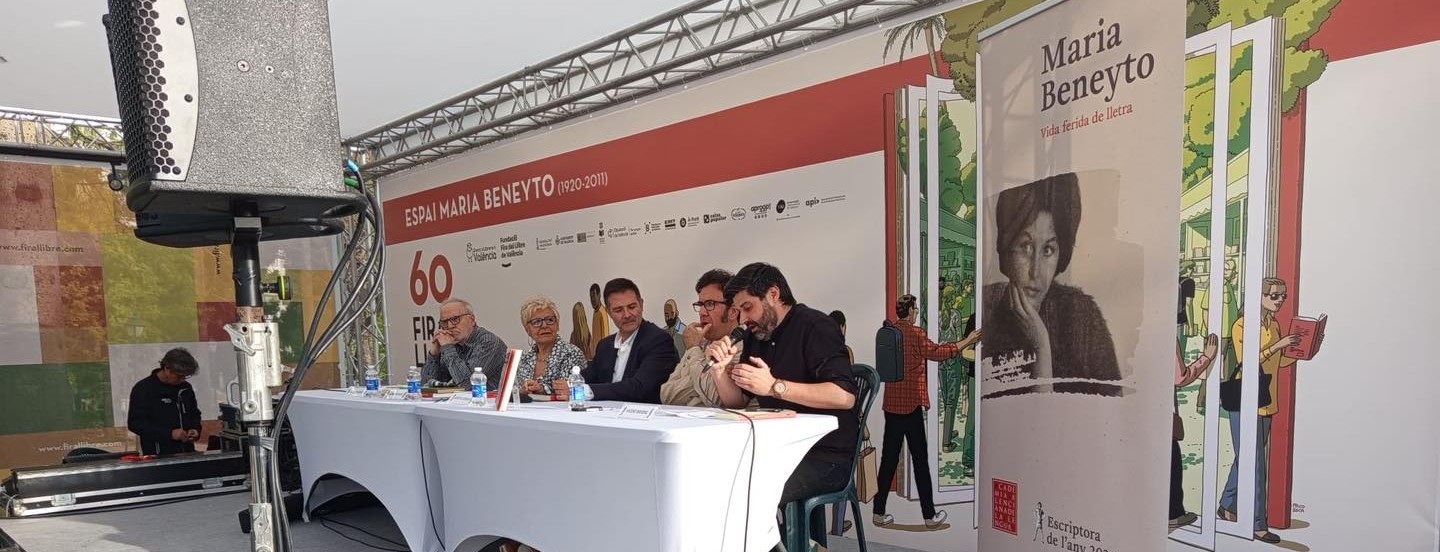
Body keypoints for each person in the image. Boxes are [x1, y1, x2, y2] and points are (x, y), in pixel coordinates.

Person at [706, 262, 858, 545]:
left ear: (773, 294)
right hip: (778, 451)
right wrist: (719, 371)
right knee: (721, 478)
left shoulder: (816, 326)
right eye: (739, 311)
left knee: (749, 489)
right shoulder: (756, 335)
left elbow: (844, 396)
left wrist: (775, 387)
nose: (743, 319)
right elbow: (738, 403)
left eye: (748, 307)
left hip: (826, 455)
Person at [982, 173, 1120, 397]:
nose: (1035, 271)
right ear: (1007, 248)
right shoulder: (984, 310)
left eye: (1048, 250)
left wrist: (1041, 347)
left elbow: (1113, 409)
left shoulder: (1083, 317)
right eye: (1025, 246)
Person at [1218, 277, 1319, 544]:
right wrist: (1278, 345)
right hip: (1246, 400)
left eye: (1282, 296)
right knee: (1255, 465)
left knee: (1246, 457)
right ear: (1259, 297)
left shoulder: (1272, 324)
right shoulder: (1242, 325)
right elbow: (1248, 360)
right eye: (1274, 295)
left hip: (1266, 400)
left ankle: (1226, 505)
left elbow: (1278, 360)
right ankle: (1257, 524)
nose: (1279, 300)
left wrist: (1304, 351)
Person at [873, 295, 981, 529]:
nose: (916, 312)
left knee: (888, 459)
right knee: (920, 461)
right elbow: (938, 352)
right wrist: (967, 341)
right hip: (911, 405)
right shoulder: (915, 333)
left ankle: (878, 512)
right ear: (910, 311)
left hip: (891, 405)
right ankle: (929, 516)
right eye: (915, 309)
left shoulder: (889, 332)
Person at [578, 278, 680, 403]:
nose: (627, 315)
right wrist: (566, 386)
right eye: (618, 310)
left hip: (643, 413)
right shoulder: (605, 345)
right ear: (609, 312)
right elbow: (588, 376)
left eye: (632, 307)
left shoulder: (659, 340)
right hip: (606, 413)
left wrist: (585, 391)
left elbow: (639, 387)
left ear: (641, 304)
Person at [1171, 279, 1219, 531]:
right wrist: (1206, 358)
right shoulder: (1166, 337)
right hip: (1162, 416)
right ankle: (1173, 515)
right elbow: (1180, 377)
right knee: (1172, 464)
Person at [661, 269, 743, 407]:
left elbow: (715, 400)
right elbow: (666, 394)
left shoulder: (743, 346)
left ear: (732, 312)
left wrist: (693, 350)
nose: (702, 312)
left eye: (710, 304)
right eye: (700, 305)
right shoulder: (700, 342)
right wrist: (701, 383)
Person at [127, 348, 203, 455]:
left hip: (187, 452)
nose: (182, 380)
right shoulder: (144, 389)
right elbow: (135, 423)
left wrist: (195, 429)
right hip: (158, 454)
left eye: (185, 376)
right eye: (179, 376)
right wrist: (169, 434)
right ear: (167, 369)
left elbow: (194, 413)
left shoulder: (185, 388)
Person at [421, 298, 509, 391]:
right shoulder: (451, 344)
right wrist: (434, 354)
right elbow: (426, 387)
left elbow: (467, 384)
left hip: (485, 399)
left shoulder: (488, 342)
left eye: (455, 319)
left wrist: (448, 348)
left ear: (472, 319)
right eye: (444, 322)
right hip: (456, 400)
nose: (450, 326)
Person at [516, 296, 589, 396]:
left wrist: (541, 389)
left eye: (550, 320)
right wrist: (522, 390)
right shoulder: (524, 358)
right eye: (536, 322)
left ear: (557, 325)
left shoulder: (571, 353)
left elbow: (566, 389)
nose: (544, 325)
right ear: (527, 330)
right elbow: (514, 389)